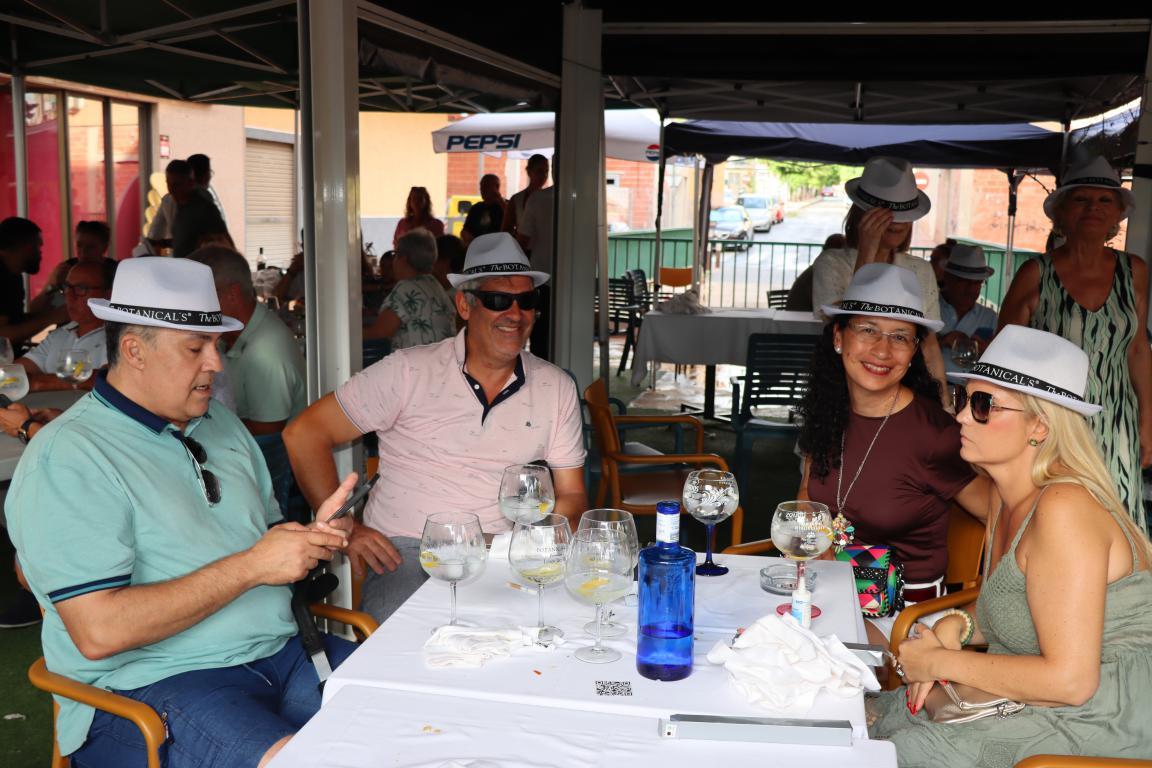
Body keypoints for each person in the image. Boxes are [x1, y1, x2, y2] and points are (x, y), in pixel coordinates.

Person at [6, 257, 360, 766]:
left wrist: (308, 538)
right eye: (196, 348)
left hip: (283, 651)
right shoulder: (70, 455)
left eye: (216, 344)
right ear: (134, 350)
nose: (216, 363)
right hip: (150, 685)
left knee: (415, 714)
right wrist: (253, 566)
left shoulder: (221, 424)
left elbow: (259, 542)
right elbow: (100, 631)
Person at [870, 324, 1152, 765]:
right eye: (964, 399)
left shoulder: (1063, 507)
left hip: (1110, 711)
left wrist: (940, 662)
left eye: (983, 405)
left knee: (898, 750)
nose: (961, 417)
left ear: (1040, 425)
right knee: (871, 719)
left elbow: (1071, 681)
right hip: (1048, 696)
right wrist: (957, 625)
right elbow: (1016, 606)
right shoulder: (1005, 495)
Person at [284, 232, 587, 622]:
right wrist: (348, 528)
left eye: (526, 301)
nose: (515, 314)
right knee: (414, 641)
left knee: (558, 629)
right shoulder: (408, 371)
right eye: (498, 300)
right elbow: (304, 434)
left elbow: (572, 494)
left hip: (505, 554)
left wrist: (535, 545)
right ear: (464, 305)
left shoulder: (555, 386)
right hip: (410, 553)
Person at [798, 264, 987, 629]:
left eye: (900, 337)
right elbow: (808, 493)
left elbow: (1002, 518)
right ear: (838, 337)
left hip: (906, 619)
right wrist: (818, 546)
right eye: (868, 330)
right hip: (829, 598)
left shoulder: (934, 435)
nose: (882, 350)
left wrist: (979, 612)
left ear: (914, 350)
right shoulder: (827, 411)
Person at [997, 156, 1151, 533]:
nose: (1093, 208)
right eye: (1081, 199)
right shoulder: (1035, 273)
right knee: (1056, 522)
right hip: (1052, 423)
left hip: (1118, 421)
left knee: (1119, 521)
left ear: (1118, 213)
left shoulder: (1135, 271)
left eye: (1104, 200)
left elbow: (1137, 349)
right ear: (1061, 213)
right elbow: (1002, 358)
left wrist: (1148, 421)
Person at [190, 246, 307, 518]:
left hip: (272, 476)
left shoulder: (265, 350)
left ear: (231, 294)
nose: (193, 302)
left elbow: (268, 428)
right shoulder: (236, 335)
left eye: (201, 294)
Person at [811, 156, 946, 388]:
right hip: (842, 381)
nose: (897, 221)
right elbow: (846, 324)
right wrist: (867, 249)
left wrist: (943, 399)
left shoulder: (921, 269)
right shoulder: (831, 262)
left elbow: (929, 343)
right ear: (862, 214)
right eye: (885, 213)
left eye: (905, 214)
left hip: (905, 384)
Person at [18, 260, 116, 392]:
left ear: (109, 294)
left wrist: (38, 383)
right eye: (67, 287)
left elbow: (109, 380)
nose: (69, 296)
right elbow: (18, 370)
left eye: (81, 288)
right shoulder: (59, 335)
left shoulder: (119, 337)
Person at [363, 229, 455, 351]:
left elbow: (379, 333)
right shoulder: (433, 283)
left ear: (403, 259)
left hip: (419, 361)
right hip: (442, 358)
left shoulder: (407, 288)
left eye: (395, 255)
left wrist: (348, 334)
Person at [0, 217, 69, 344]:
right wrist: (52, 317)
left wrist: (51, 287)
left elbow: (17, 322)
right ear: (25, 246)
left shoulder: (14, 276)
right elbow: (2, 336)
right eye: (38, 247)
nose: (40, 254)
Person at [936, 244, 998, 376]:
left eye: (978, 283)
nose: (971, 289)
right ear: (947, 278)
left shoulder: (990, 317)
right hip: (930, 384)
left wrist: (988, 352)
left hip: (972, 386)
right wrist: (942, 341)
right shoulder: (929, 307)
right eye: (964, 281)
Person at [30, 220, 115, 313]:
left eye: (90, 247)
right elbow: (33, 309)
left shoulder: (115, 272)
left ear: (104, 247)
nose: (83, 252)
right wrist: (51, 284)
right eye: (79, 245)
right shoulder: (67, 269)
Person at [153, 159, 229, 259]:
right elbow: (184, 240)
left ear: (191, 183)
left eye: (176, 185)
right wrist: (161, 243)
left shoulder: (204, 210)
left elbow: (223, 243)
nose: (171, 190)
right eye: (168, 184)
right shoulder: (180, 208)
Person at [503, 154, 550, 247]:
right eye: (539, 171)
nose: (544, 176)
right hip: (524, 249)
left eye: (546, 171)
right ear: (529, 172)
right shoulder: (516, 200)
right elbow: (506, 230)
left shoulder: (549, 197)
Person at [460, 174, 506, 246]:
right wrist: (468, 237)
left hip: (498, 246)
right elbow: (465, 230)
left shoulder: (506, 206)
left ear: (496, 187)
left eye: (486, 186)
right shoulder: (476, 208)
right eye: (481, 186)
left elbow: (511, 221)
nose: (482, 189)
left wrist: (499, 199)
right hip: (477, 247)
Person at [187, 153, 227, 223]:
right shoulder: (204, 195)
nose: (210, 176)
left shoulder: (169, 199)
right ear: (205, 175)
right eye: (209, 172)